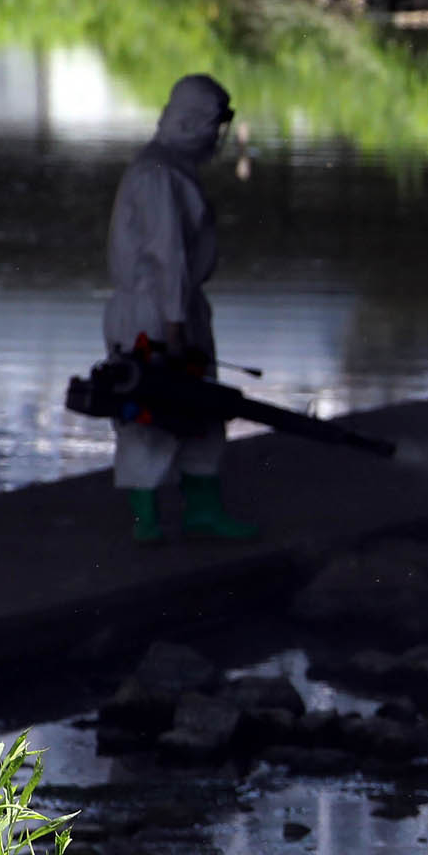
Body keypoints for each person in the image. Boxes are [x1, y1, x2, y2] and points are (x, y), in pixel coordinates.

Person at [103, 72, 257, 544]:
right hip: (154, 313)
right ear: (193, 123)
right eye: (213, 125)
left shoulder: (169, 167)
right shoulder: (158, 174)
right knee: (149, 414)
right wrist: (173, 331)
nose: (217, 136)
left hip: (178, 307)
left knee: (200, 411)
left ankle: (202, 508)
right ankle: (145, 518)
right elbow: (166, 255)